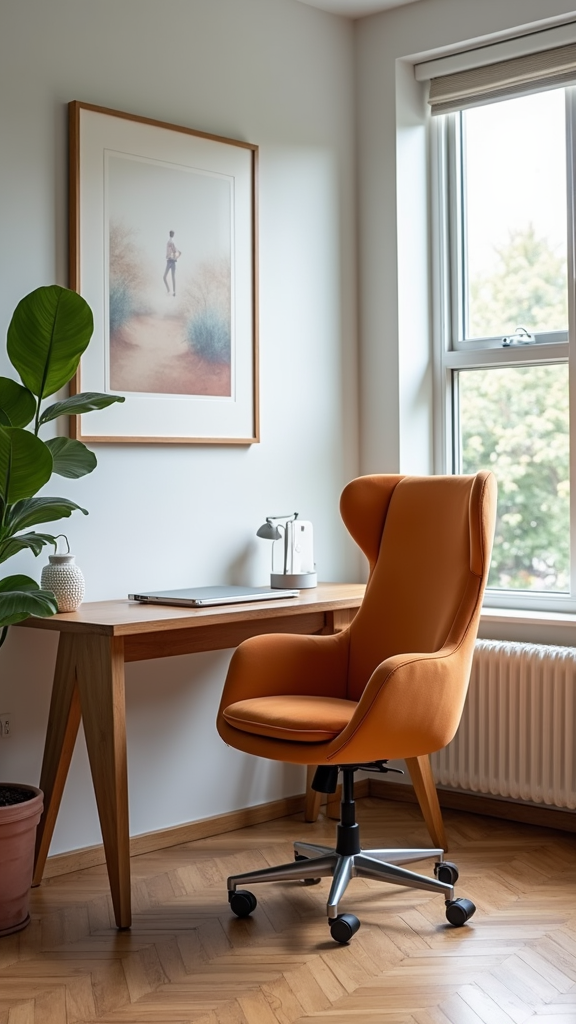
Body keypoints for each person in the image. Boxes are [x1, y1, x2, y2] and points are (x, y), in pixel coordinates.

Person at [163, 231, 181, 295]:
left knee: (172, 277)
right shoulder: (169, 242)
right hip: (169, 261)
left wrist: (176, 257)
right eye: (171, 233)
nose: (171, 234)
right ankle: (169, 290)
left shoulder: (171, 243)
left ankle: (173, 292)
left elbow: (177, 251)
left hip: (172, 262)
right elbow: (175, 251)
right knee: (165, 277)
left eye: (172, 234)